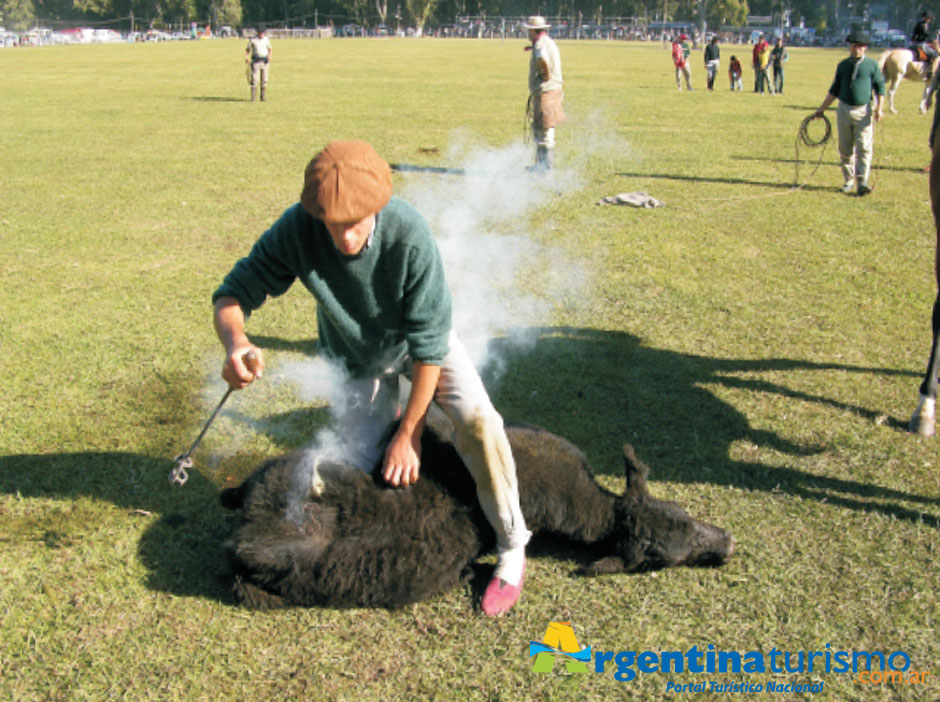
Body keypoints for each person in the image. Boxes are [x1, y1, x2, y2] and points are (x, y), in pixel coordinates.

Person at [212, 140, 531, 615]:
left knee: (480, 422)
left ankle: (511, 546)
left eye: (355, 224)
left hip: (421, 348)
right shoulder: (298, 228)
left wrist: (410, 433)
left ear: (378, 208)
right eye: (332, 225)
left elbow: (429, 348)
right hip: (355, 360)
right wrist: (235, 343)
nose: (343, 239)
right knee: (357, 463)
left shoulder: (410, 234)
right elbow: (232, 294)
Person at [814, 30, 886, 196]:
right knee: (845, 148)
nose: (856, 49)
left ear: (865, 47)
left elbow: (880, 88)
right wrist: (822, 108)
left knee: (864, 147)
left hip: (864, 110)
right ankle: (848, 179)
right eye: (854, 46)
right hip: (844, 109)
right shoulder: (843, 65)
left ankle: (862, 181)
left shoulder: (871, 65)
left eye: (860, 46)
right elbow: (835, 90)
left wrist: (879, 108)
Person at [524, 15, 564, 172]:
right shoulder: (547, 42)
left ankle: (545, 170)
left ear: (533, 31)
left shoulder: (540, 44)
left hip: (546, 93)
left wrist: (545, 74)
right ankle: (541, 167)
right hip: (553, 91)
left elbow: (542, 59)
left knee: (543, 132)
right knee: (546, 131)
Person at [246, 26, 272, 102]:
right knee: (254, 80)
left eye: (263, 32)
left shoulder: (266, 40)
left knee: (264, 80)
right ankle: (253, 97)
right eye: (260, 32)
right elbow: (248, 49)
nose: (261, 34)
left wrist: (270, 56)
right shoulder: (253, 40)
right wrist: (246, 57)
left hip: (265, 62)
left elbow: (269, 49)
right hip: (255, 62)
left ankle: (262, 97)